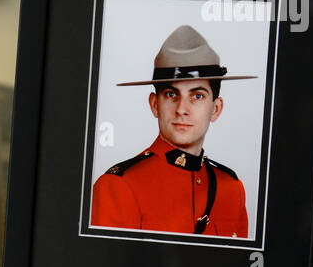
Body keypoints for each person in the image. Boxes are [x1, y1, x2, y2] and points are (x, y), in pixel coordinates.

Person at [91, 24, 254, 237]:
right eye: (170, 94)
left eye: (197, 96)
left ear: (216, 109)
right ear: (154, 105)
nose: (181, 110)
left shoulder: (232, 189)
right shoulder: (118, 187)